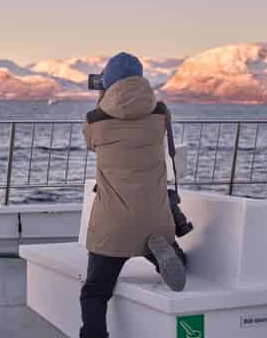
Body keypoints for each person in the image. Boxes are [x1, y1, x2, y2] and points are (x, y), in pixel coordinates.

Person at [79, 52, 187, 338]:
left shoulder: (95, 120)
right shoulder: (160, 113)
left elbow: (91, 142)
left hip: (112, 227)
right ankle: (169, 255)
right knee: (169, 253)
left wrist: (102, 99)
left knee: (95, 292)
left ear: (108, 81)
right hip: (155, 218)